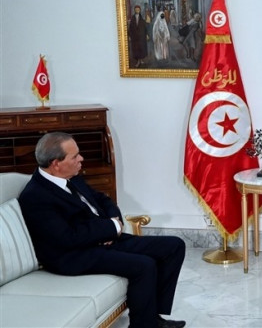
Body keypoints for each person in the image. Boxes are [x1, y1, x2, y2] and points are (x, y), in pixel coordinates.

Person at [18, 132, 187, 328]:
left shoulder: (71, 177)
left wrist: (114, 224)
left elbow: (103, 200)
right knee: (144, 265)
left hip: (101, 239)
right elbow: (67, 237)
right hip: (73, 255)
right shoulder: (35, 196)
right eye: (75, 156)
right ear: (56, 163)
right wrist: (108, 228)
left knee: (174, 246)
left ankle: (152, 317)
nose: (81, 159)